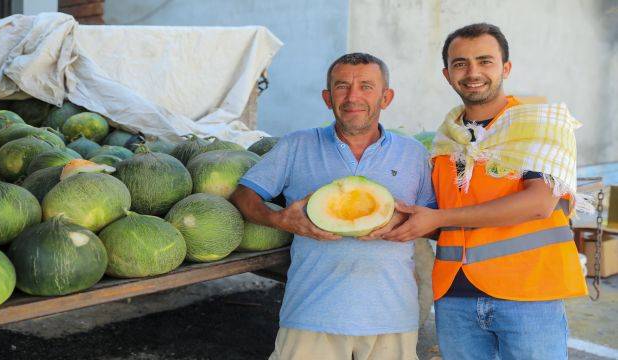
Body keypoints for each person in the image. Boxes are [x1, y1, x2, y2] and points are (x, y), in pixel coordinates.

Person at [377, 23, 587, 359]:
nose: (472, 72)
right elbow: (439, 218)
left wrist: (440, 216)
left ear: (506, 68)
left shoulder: (539, 124)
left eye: (485, 61)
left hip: (529, 294)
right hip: (454, 294)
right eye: (460, 63)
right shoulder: (446, 140)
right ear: (447, 74)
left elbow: (538, 203)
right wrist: (387, 219)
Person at [230, 52, 435, 360]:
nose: (353, 96)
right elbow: (244, 196)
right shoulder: (296, 145)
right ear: (328, 98)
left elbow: (432, 221)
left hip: (391, 317)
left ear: (386, 97)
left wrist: (403, 225)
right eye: (342, 86)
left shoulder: (414, 154)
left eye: (366, 86)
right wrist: (281, 220)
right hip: (311, 313)